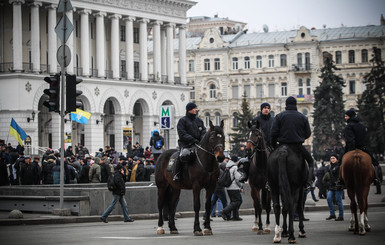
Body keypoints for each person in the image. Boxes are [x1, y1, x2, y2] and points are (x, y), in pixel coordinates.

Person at [270, 96, 314, 188]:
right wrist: (300, 137)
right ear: (295, 104)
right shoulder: (302, 117)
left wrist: (274, 145)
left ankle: (269, 182)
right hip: (297, 146)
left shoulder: (279, 116)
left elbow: (273, 133)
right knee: (310, 161)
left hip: (282, 145)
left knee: (269, 162)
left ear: (286, 105)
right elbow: (308, 133)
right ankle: (309, 182)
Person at [342, 108, 380, 185]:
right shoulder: (362, 125)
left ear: (350, 116)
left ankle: (340, 181)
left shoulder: (348, 127)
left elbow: (350, 140)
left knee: (340, 162)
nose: (345, 118)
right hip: (363, 148)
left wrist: (351, 151)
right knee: (374, 162)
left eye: (346, 116)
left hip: (352, 148)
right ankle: (376, 178)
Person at [240, 102, 275, 182]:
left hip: (270, 144)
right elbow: (252, 132)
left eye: (268, 108)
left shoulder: (273, 120)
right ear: (261, 109)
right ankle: (245, 174)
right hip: (258, 145)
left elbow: (275, 131)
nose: (266, 110)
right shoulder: (256, 120)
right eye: (265, 108)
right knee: (248, 157)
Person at [173, 102, 206, 182]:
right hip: (186, 144)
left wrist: (201, 139)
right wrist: (192, 139)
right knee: (182, 155)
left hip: (198, 144)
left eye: (196, 108)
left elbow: (204, 131)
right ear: (189, 110)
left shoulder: (199, 120)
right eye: (194, 108)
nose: (196, 110)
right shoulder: (182, 121)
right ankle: (176, 174)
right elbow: (182, 133)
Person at [221, 156, 243, 221]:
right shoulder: (235, 167)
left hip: (228, 187)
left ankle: (235, 216)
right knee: (238, 201)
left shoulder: (227, 166)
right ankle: (224, 211)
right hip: (234, 187)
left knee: (233, 201)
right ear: (235, 161)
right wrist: (241, 185)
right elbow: (237, 179)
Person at [324, 154, 344, 221]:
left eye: (334, 158)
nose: (332, 159)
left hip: (338, 186)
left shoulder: (339, 166)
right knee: (328, 198)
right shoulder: (330, 166)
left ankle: (341, 216)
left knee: (339, 201)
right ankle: (332, 214)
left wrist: (339, 183)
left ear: (337, 159)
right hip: (332, 186)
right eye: (331, 158)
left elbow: (341, 176)